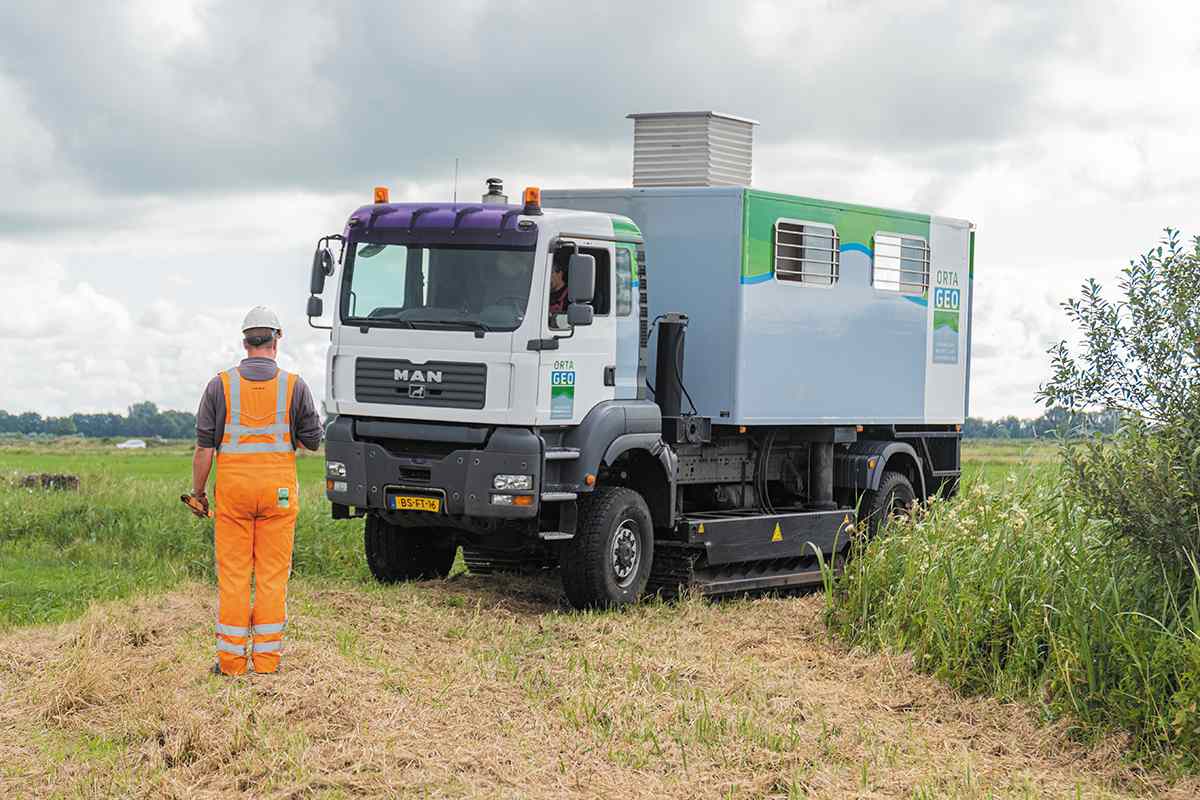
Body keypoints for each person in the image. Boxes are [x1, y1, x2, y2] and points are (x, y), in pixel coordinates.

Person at [189, 306, 323, 677]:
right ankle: (266, 663)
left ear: (245, 341)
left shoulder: (220, 385)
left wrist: (198, 492)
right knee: (272, 576)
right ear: (277, 338)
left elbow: (204, 449)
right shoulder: (295, 386)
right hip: (278, 493)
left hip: (233, 493)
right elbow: (312, 441)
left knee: (234, 576)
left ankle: (231, 664)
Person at [548, 258, 569, 326]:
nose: (548, 278)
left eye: (550, 273)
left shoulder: (570, 296)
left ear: (560, 273)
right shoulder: (542, 294)